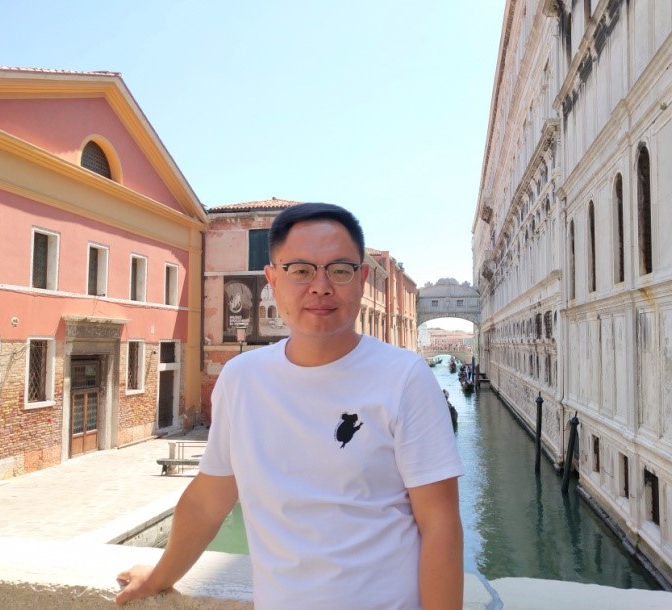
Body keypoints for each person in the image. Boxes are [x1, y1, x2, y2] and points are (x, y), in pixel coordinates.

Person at [116, 203, 464, 610]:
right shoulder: (241, 379)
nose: (320, 286)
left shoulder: (406, 378)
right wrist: (159, 577)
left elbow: (440, 526)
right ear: (273, 281)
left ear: (361, 279)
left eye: (339, 270)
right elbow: (208, 501)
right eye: (301, 270)